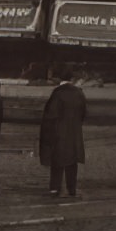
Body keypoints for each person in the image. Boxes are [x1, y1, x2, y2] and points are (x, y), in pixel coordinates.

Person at [39, 67, 87, 198]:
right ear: (72, 79)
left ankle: (55, 188)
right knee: (72, 162)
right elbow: (83, 113)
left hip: (59, 132)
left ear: (59, 78)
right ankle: (72, 188)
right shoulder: (79, 92)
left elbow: (51, 115)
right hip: (75, 132)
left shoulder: (57, 93)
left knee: (57, 161)